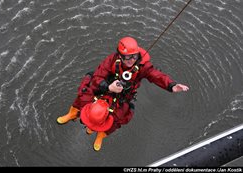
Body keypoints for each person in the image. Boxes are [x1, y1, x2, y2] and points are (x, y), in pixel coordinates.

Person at [57, 36, 189, 151]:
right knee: (84, 94)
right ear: (120, 55)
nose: (131, 60)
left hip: (123, 95)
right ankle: (73, 113)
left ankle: (102, 133)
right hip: (106, 87)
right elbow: (97, 76)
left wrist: (171, 85)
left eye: (134, 56)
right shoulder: (111, 61)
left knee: (119, 116)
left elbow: (156, 75)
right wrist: (108, 86)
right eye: (127, 57)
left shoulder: (143, 66)